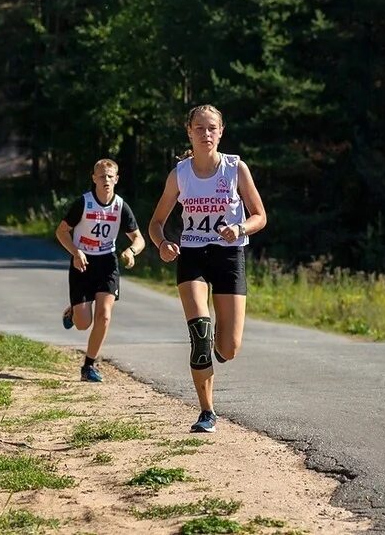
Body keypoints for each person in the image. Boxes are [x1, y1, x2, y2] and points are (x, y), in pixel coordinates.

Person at [146, 104, 267, 433]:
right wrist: (162, 244)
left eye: (212, 128)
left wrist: (240, 228)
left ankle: (218, 344)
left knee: (228, 347)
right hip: (193, 254)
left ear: (221, 131)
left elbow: (260, 216)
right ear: (189, 132)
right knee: (200, 332)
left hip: (229, 255)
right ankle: (206, 412)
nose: (206, 134)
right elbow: (156, 223)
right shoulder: (180, 174)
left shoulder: (235, 168)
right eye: (199, 128)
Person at [55, 158, 145, 382]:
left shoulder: (120, 206)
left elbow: (139, 238)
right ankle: (73, 312)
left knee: (104, 316)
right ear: (94, 178)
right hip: (82, 262)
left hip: (107, 262)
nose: (106, 180)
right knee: (83, 323)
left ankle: (88, 365)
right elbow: (61, 232)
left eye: (110, 176)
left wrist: (131, 251)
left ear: (116, 179)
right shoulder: (83, 203)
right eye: (101, 176)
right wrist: (76, 252)